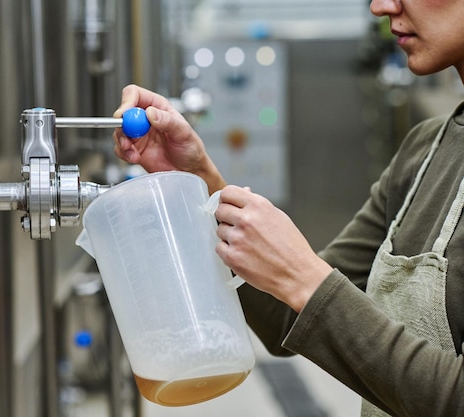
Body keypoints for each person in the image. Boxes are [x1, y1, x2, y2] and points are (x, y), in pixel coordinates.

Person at [111, 0, 464, 415]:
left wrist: (305, 279)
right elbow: (287, 321)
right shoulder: (424, 151)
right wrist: (197, 180)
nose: (381, 6)